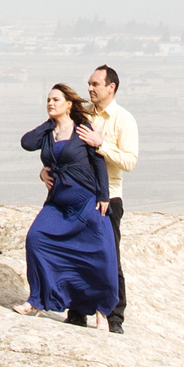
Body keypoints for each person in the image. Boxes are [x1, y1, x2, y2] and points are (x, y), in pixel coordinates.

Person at [14, 83, 121, 325]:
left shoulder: (82, 129)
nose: (51, 103)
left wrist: (103, 196)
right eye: (48, 100)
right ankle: (37, 299)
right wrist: (51, 121)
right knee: (36, 239)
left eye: (56, 100)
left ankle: (102, 311)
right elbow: (26, 142)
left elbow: (98, 164)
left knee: (100, 254)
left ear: (69, 104)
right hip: (57, 204)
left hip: (85, 202)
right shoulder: (48, 134)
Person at [70, 64, 139, 333]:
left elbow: (130, 161)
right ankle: (76, 311)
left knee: (110, 257)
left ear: (111, 87)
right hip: (80, 195)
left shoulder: (123, 119)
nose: (90, 88)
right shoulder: (82, 115)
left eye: (95, 84)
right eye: (89, 83)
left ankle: (114, 317)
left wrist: (101, 145)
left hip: (110, 196)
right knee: (77, 253)